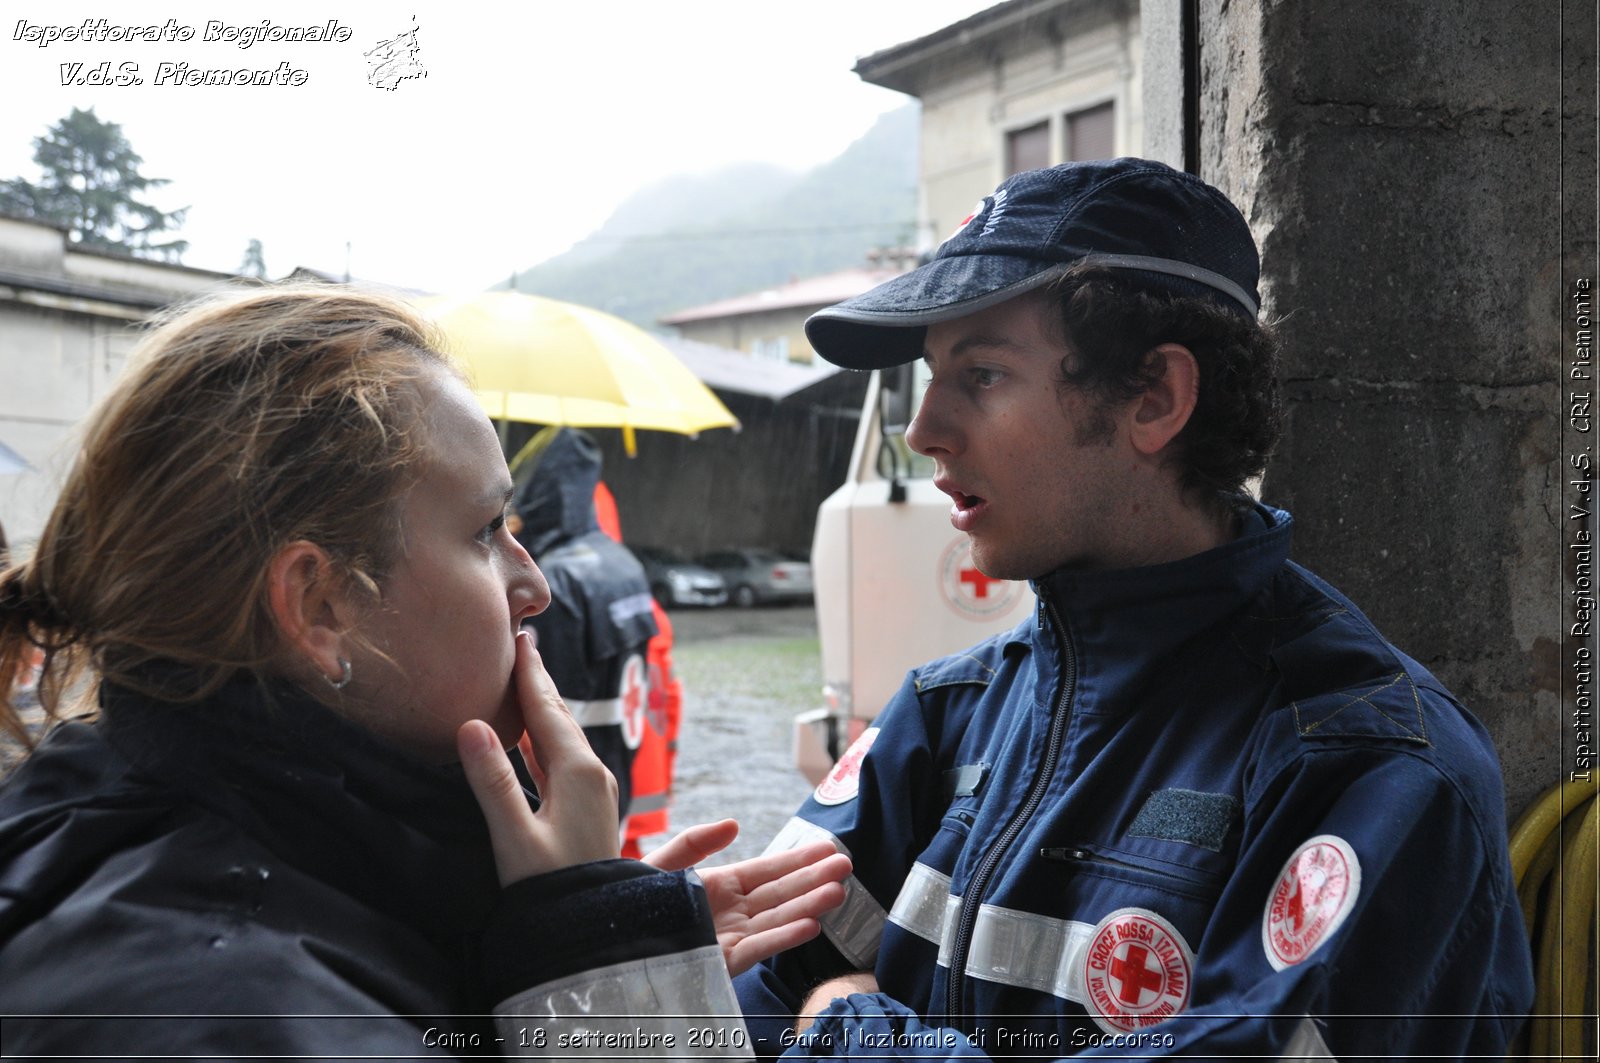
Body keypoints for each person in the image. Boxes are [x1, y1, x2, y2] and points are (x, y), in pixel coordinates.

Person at [734, 158, 1535, 1059]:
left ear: (1155, 397)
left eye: (984, 374)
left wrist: (846, 1029)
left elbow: (808, 1008)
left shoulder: (1374, 767)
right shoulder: (946, 713)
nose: (924, 430)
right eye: (930, 376)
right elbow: (738, 998)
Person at [0, 284, 849, 1058]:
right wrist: (608, 986)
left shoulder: (119, 816)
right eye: (485, 530)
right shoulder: (228, 1013)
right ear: (321, 605)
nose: (535, 584)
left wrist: (535, 952)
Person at [509, 426, 657, 825]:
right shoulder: (625, 564)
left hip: (561, 789)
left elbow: (535, 697)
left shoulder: (553, 580)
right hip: (614, 770)